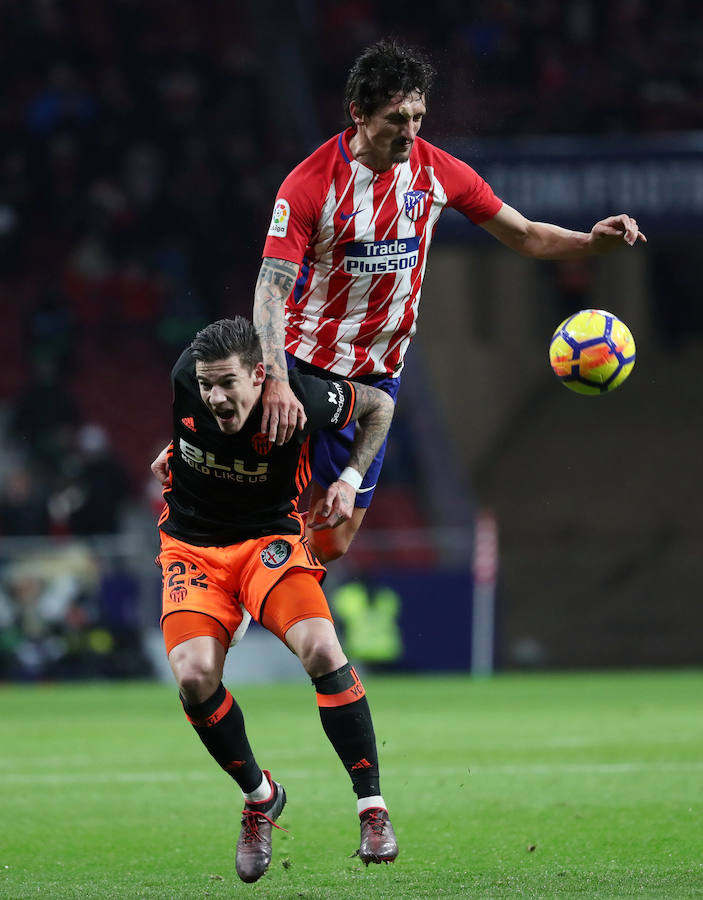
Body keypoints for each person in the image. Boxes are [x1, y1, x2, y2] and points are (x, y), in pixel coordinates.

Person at [253, 37, 647, 563]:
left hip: (377, 376)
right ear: (358, 113)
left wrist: (589, 242)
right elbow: (269, 291)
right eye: (396, 119)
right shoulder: (308, 185)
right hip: (307, 366)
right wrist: (277, 379)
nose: (410, 131)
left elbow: (525, 234)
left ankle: (274, 579)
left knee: (333, 539)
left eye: (418, 116)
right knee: (251, 491)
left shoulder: (436, 171)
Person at [151, 316, 397, 884]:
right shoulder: (185, 376)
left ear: (261, 376)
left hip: (271, 540)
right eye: (207, 384)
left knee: (320, 647)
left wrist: (349, 478)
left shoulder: (305, 399)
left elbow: (379, 407)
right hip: (192, 546)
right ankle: (260, 798)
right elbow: (192, 428)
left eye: (227, 384)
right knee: (192, 678)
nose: (214, 396)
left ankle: (372, 809)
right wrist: (172, 448)